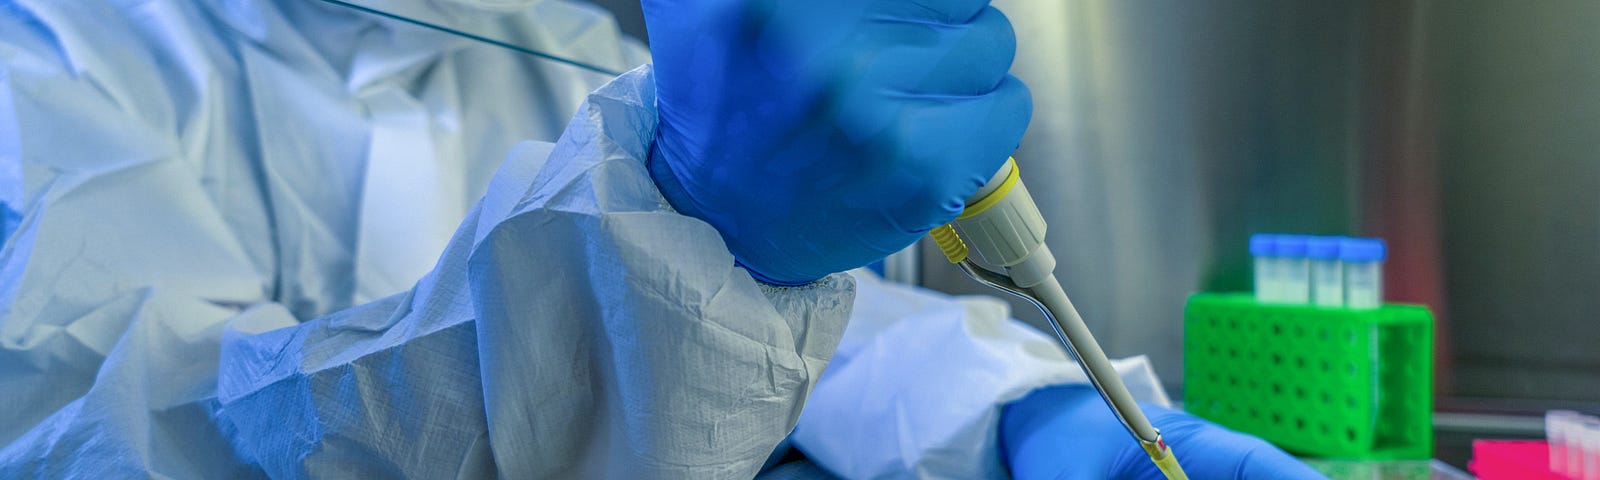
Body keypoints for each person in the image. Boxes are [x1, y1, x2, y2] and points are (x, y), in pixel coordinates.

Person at [0, 0, 1326, 478]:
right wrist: (683, 212)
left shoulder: (556, 46)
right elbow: (122, 436)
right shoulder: (47, 57)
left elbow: (829, 329)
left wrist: (1023, 414)